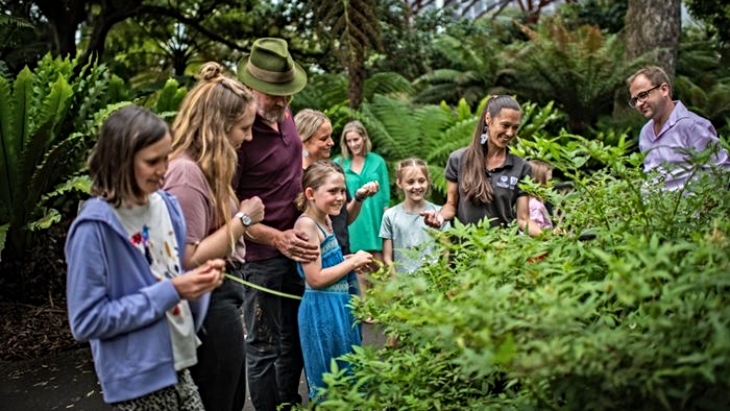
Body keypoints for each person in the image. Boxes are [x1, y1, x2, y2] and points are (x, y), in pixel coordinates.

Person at [65, 105, 225, 409]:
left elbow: (174, 278)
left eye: (167, 157)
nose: (164, 169)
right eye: (153, 161)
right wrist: (173, 290)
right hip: (135, 384)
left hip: (182, 367)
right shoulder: (93, 228)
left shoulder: (168, 206)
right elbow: (85, 321)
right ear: (120, 161)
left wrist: (201, 281)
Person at [162, 62, 265, 411]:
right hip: (208, 302)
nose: (248, 138)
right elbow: (187, 257)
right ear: (218, 126)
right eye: (243, 128)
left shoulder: (206, 170)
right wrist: (244, 219)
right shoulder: (186, 174)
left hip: (224, 296)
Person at [233, 37, 318, 410]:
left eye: (287, 93)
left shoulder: (285, 116)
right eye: (273, 94)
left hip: (296, 245)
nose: (283, 102)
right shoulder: (238, 134)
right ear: (251, 88)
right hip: (260, 256)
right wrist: (274, 238)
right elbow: (227, 208)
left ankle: (289, 402)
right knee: (263, 344)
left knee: (293, 338)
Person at [293, 161, 372, 402]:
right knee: (330, 385)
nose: (340, 197)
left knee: (349, 378)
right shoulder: (306, 225)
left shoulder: (326, 219)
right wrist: (351, 263)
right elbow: (315, 278)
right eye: (333, 191)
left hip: (338, 306)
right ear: (310, 193)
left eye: (342, 191)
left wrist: (350, 260)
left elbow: (327, 261)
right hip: (321, 310)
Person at [422, 95, 541, 236]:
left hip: (502, 252)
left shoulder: (521, 167)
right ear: (488, 119)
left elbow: (523, 219)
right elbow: (451, 205)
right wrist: (439, 216)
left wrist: (550, 238)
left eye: (515, 127)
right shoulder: (459, 159)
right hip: (464, 251)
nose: (509, 133)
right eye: (505, 125)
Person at [626, 65, 730, 191]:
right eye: (634, 100)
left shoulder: (692, 126)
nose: (639, 104)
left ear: (664, 90)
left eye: (643, 95)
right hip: (652, 209)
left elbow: (721, 171)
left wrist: (706, 206)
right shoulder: (645, 132)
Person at [295, 108, 379, 256]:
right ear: (304, 141)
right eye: (323, 139)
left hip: (342, 252)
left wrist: (359, 198)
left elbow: (343, 219)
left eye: (330, 137)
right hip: (319, 259)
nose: (331, 142)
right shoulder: (295, 177)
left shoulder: (333, 171)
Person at [334, 120, 390, 294]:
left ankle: (383, 308)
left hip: (374, 219)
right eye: (349, 141)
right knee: (358, 266)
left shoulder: (377, 161)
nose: (353, 144)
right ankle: (364, 308)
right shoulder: (339, 163)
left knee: (380, 268)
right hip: (353, 221)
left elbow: (385, 198)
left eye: (356, 139)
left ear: (364, 138)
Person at [380, 158, 450, 275]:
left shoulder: (439, 213)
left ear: (428, 181)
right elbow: (387, 258)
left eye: (421, 181)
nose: (417, 186)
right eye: (410, 182)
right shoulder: (390, 216)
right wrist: (396, 282)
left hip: (433, 284)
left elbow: (445, 253)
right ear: (399, 183)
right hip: (403, 284)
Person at [527, 159, 554, 231]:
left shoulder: (539, 201)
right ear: (537, 181)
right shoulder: (534, 204)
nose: (551, 184)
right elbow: (534, 229)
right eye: (549, 180)